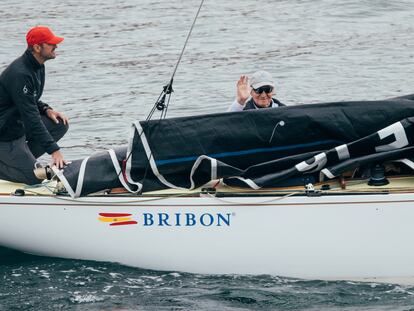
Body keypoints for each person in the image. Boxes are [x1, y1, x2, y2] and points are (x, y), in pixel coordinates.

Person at [0, 26, 69, 185]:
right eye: (51, 44)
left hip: (18, 128)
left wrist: (46, 109)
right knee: (36, 178)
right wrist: (54, 150)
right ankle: (15, 163)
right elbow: (31, 118)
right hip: (5, 136)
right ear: (37, 48)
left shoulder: (37, 66)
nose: (56, 46)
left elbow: (29, 99)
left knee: (59, 125)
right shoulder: (20, 73)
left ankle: (20, 161)